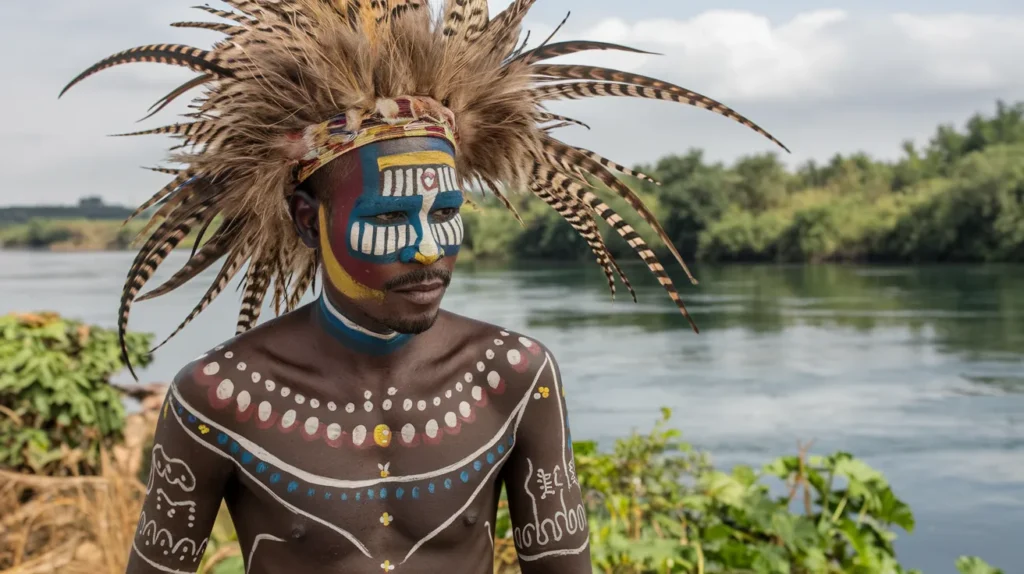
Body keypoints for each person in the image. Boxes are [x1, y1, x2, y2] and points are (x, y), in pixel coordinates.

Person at [60, 1, 784, 572]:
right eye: (389, 215)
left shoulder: (513, 377)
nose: (430, 247)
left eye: (446, 212)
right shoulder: (218, 397)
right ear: (310, 220)